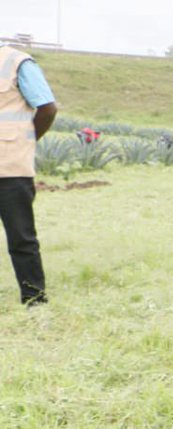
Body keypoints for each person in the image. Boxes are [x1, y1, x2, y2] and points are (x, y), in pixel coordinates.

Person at [0, 44, 57, 306]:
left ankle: (34, 299)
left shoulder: (17, 61)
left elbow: (47, 108)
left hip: (10, 166)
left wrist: (28, 140)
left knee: (21, 237)